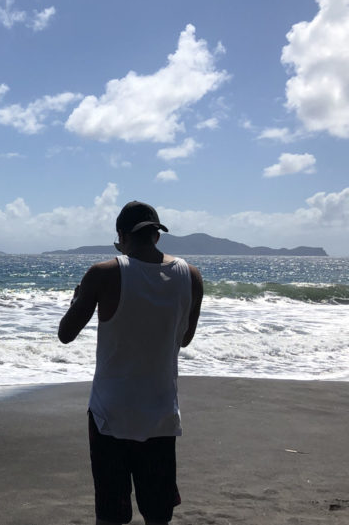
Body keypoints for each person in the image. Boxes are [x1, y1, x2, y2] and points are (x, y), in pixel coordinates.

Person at [58, 200, 203, 525]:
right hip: (161, 414)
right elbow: (185, 339)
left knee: (111, 516)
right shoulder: (190, 276)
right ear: (157, 236)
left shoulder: (103, 273)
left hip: (111, 416)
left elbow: (65, 334)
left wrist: (78, 298)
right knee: (157, 515)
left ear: (121, 237)